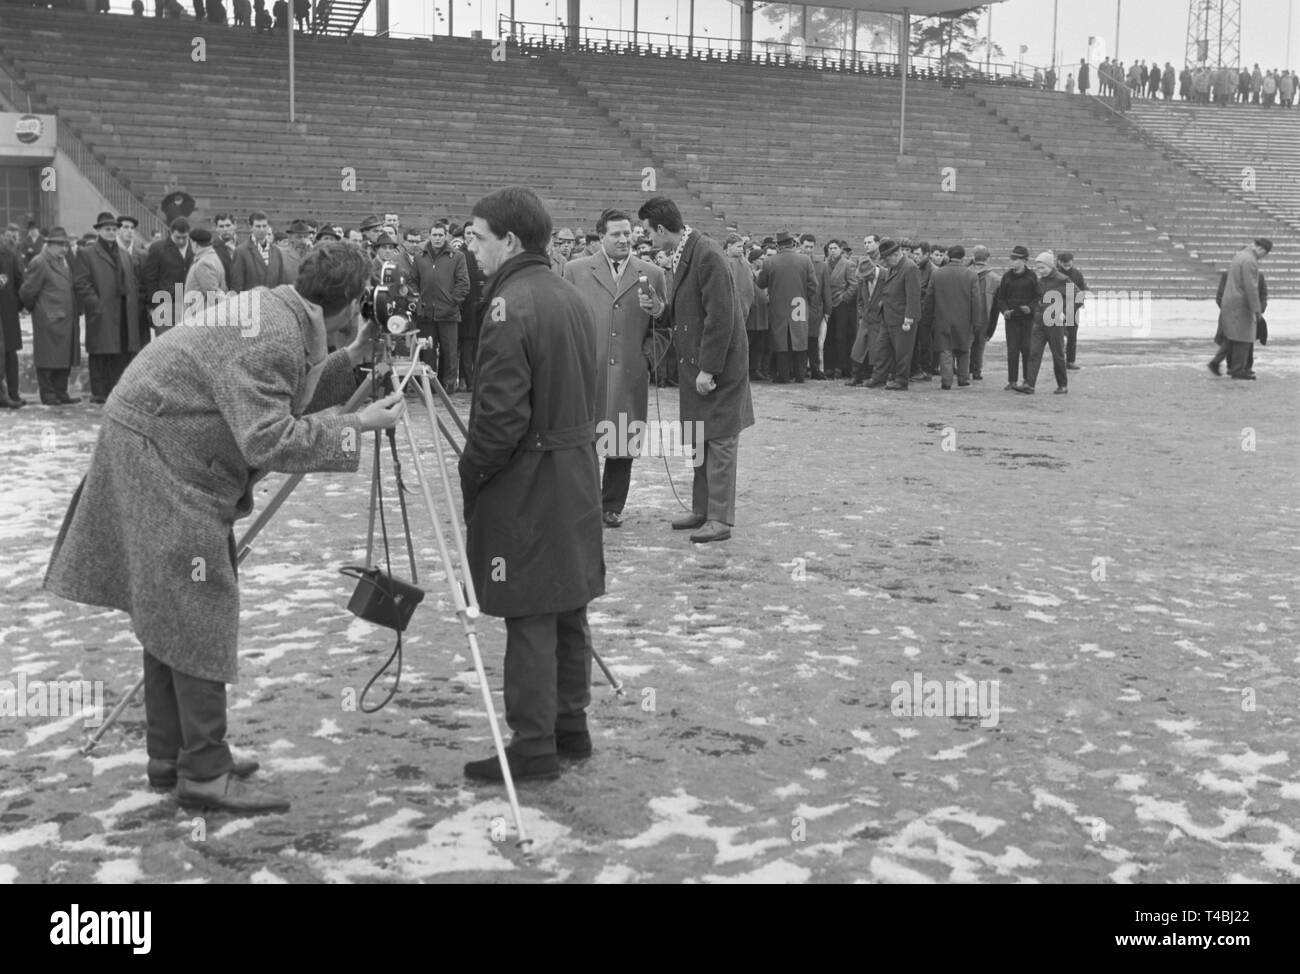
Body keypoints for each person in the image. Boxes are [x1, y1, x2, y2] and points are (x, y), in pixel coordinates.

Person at [44, 243, 404, 812]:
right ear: (352, 301)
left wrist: (353, 354)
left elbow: (283, 394)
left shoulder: (277, 310)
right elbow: (269, 436)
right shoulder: (274, 334)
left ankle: (173, 756)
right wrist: (358, 423)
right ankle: (205, 773)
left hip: (156, 448)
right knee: (196, 602)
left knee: (170, 607)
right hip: (159, 461)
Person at [459, 186, 605, 783]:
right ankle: (571, 726)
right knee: (567, 602)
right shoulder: (567, 293)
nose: (471, 248)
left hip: (530, 477)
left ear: (510, 241)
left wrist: (474, 473)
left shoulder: (508, 305)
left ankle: (533, 745)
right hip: (572, 470)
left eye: (477, 237)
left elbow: (499, 418)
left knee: (530, 611)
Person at [637, 196, 753, 543]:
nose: (649, 240)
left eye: (649, 233)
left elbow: (721, 317)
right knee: (699, 441)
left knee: (719, 443)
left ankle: (720, 518)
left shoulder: (708, 254)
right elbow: (689, 312)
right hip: (698, 368)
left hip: (716, 370)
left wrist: (709, 369)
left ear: (662, 229)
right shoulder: (687, 253)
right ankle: (702, 509)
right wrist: (660, 310)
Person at [562, 207, 667, 529]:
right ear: (601, 237)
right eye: (616, 234)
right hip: (586, 371)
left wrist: (647, 359)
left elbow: (664, 329)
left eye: (628, 234)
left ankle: (611, 506)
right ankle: (585, 503)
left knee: (622, 442)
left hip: (629, 374)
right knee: (583, 441)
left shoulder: (653, 273)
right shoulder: (575, 271)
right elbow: (563, 321)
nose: (624, 240)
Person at [73, 211, 146, 404]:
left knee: (121, 352)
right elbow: (81, 283)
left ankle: (115, 391)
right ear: (99, 231)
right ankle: (99, 393)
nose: (111, 232)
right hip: (103, 310)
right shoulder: (87, 253)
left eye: (114, 229)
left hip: (123, 311)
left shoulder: (124, 255)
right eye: (107, 229)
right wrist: (95, 304)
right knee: (100, 353)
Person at [19, 228, 81, 406]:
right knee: (48, 360)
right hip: (49, 320)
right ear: (50, 245)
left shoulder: (63, 261)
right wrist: (40, 311)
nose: (65, 249)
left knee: (63, 359)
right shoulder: (40, 262)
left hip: (65, 319)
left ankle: (61, 392)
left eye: (66, 245)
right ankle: (48, 394)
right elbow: (27, 292)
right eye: (61, 245)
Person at [409, 222, 469, 393]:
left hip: (449, 313)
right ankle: (429, 386)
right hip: (426, 313)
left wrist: (452, 302)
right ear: (429, 235)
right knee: (427, 353)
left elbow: (463, 283)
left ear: (446, 236)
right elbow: (412, 280)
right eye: (434, 235)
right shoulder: (420, 257)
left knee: (449, 352)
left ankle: (449, 385)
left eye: (440, 235)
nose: (437, 238)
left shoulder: (457, 257)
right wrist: (417, 298)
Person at [757, 231, 817, 383]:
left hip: (779, 306)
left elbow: (761, 283)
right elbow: (813, 285)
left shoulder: (770, 262)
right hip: (800, 304)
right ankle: (800, 375)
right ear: (792, 244)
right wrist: (805, 297)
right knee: (800, 338)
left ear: (778, 245)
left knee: (781, 340)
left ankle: (783, 375)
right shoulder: (805, 260)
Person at [862, 238, 920, 391]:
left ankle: (901, 380)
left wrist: (909, 318)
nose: (885, 262)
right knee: (881, 349)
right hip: (888, 317)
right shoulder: (893, 268)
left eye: (887, 258)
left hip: (902, 319)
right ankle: (878, 378)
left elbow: (913, 295)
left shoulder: (909, 268)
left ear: (896, 254)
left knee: (902, 352)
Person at [1214, 239, 1271, 379]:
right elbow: (1251, 288)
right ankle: (1238, 370)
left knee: (1233, 338)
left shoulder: (1239, 256)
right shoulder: (1249, 260)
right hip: (1241, 304)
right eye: (1264, 253)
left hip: (1233, 303)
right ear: (1262, 250)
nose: (1262, 257)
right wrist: (1256, 310)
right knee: (1244, 339)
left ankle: (1217, 363)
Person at [1018, 251, 1070, 395]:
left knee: (1058, 354)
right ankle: (1029, 384)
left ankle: (1062, 385)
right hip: (1039, 322)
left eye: (1043, 268)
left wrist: (1063, 312)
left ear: (1050, 266)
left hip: (1055, 323)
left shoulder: (1063, 279)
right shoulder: (1040, 281)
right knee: (1034, 353)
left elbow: (1077, 297)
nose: (1040, 271)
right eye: (1038, 268)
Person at [930, 245, 981, 389]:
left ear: (948, 256)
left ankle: (946, 381)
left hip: (942, 318)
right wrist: (977, 321)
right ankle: (963, 378)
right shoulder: (971, 275)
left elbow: (930, 298)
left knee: (945, 349)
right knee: (964, 348)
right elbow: (976, 301)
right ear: (963, 257)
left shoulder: (937, 274)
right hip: (964, 319)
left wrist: (928, 319)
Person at [992, 245, 1037, 391]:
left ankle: (1026, 380)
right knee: (1012, 350)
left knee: (1026, 349)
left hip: (1027, 319)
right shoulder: (1006, 277)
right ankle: (1012, 381)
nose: (1012, 262)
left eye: (1016, 259)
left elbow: (1038, 297)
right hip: (1011, 320)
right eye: (1011, 258)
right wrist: (1004, 310)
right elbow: (1000, 298)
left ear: (1024, 260)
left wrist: (1030, 308)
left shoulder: (1032, 277)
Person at [141, 216, 194, 336]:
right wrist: (154, 305)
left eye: (184, 238)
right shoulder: (157, 249)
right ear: (170, 233)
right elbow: (150, 279)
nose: (181, 241)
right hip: (164, 306)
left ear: (189, 234)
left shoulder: (195, 249)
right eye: (177, 238)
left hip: (189, 306)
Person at [822, 239, 858, 379]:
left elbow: (854, 284)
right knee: (828, 337)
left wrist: (844, 298)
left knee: (842, 336)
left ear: (841, 249)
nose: (832, 250)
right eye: (830, 248)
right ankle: (829, 366)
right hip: (829, 305)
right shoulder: (824, 265)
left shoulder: (848, 264)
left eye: (835, 248)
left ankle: (841, 366)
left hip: (842, 305)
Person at [230, 211, 292, 291]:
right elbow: (237, 285)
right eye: (258, 226)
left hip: (271, 300)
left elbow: (280, 282)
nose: (262, 230)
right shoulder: (240, 251)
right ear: (251, 227)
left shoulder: (276, 251)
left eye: (264, 226)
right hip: (251, 300)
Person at [968, 244, 1000, 381]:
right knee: (980, 345)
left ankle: (964, 369)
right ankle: (977, 370)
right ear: (987, 258)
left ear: (972, 256)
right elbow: (997, 305)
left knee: (966, 344)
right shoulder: (995, 278)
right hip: (984, 316)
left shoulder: (965, 273)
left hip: (967, 316)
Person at [0, 228, 24, 408]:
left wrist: (16, 304)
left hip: (7, 312)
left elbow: (19, 280)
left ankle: (13, 393)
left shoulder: (9, 255)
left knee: (10, 354)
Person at [1055, 251, 1087, 370]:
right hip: (1057, 309)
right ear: (1060, 262)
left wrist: (1071, 309)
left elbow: (1081, 292)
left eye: (1069, 264)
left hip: (1073, 309)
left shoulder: (1077, 274)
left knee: (1072, 336)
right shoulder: (1056, 274)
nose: (1067, 266)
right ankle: (1059, 361)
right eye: (1065, 264)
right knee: (1058, 337)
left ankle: (1070, 361)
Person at [184, 227, 226, 301]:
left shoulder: (203, 263)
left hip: (200, 310)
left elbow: (213, 295)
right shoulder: (212, 256)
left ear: (194, 243)